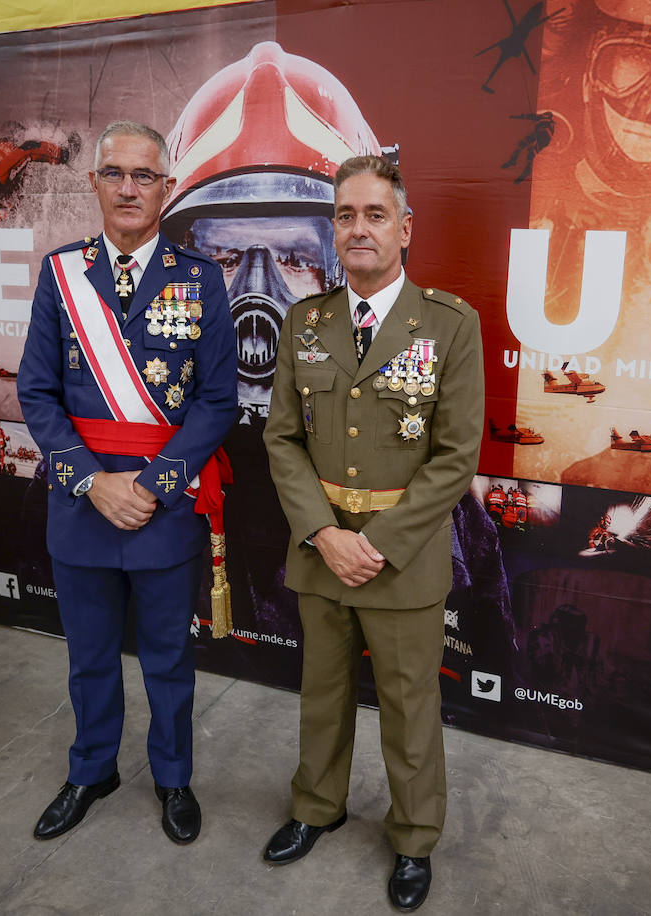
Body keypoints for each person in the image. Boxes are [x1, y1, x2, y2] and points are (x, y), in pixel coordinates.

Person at [262, 155, 483, 911]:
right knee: (321, 695)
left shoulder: (450, 325)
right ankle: (315, 807)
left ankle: (415, 839)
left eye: (375, 214)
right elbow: (283, 440)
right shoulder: (305, 321)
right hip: (322, 552)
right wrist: (325, 534)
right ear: (335, 230)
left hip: (402, 560)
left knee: (408, 707)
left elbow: (456, 457)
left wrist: (378, 542)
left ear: (405, 229)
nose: (360, 228)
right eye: (346, 215)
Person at [16, 121, 237, 845]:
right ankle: (91, 769)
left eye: (145, 176)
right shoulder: (60, 276)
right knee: (88, 658)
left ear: (167, 188)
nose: (129, 188)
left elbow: (216, 401)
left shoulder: (202, 279)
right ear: (95, 183)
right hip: (82, 508)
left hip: (162, 507)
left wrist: (156, 483)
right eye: (115, 173)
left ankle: (173, 776)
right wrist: (91, 482)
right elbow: (37, 394)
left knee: (170, 660)